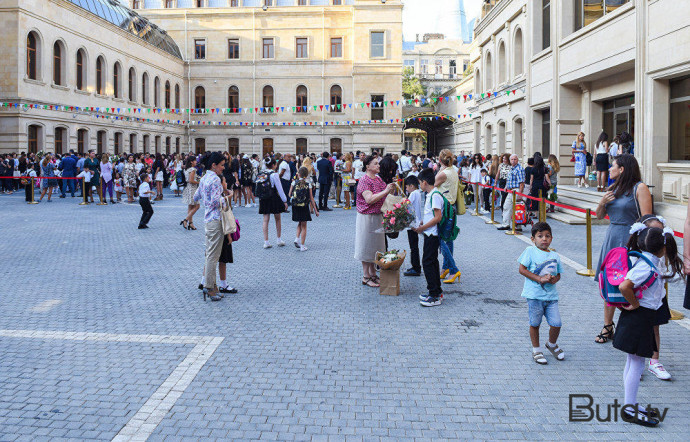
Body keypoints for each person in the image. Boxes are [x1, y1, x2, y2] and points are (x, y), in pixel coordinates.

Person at [612, 227, 682, 427]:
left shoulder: (648, 261)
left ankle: (630, 404)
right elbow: (624, 286)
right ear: (662, 248)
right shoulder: (645, 266)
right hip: (639, 316)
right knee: (637, 363)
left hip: (639, 316)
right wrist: (634, 303)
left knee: (632, 361)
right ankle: (629, 409)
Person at [594, 154, 653, 343]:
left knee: (629, 284)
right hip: (612, 238)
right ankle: (607, 325)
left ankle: (632, 324)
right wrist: (602, 202)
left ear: (622, 169)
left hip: (630, 240)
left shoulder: (639, 188)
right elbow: (599, 215)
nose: (609, 169)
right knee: (610, 281)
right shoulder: (613, 188)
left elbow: (648, 219)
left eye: (613, 166)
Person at [626, 215, 674, 380]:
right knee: (638, 334)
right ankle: (635, 363)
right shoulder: (639, 258)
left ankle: (654, 361)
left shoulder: (660, 253)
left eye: (660, 231)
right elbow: (626, 284)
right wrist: (635, 303)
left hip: (657, 299)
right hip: (641, 301)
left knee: (655, 328)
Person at [517, 222, 564, 365]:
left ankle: (551, 344)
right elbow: (522, 269)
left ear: (551, 238)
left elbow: (559, 275)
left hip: (551, 297)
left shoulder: (555, 255)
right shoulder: (530, 251)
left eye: (547, 236)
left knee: (556, 323)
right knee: (535, 323)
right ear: (533, 239)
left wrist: (553, 279)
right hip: (534, 296)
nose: (544, 239)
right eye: (540, 236)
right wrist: (539, 279)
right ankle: (536, 349)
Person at [354, 155, 394, 288]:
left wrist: (390, 188)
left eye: (378, 163)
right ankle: (365, 276)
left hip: (377, 216)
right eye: (375, 163)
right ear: (368, 167)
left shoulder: (377, 179)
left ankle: (373, 274)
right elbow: (369, 199)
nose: (378, 166)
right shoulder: (364, 180)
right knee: (366, 247)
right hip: (367, 218)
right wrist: (386, 191)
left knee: (375, 248)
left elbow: (386, 192)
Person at [193, 152, 226, 302]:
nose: (223, 168)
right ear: (214, 165)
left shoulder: (204, 178)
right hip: (215, 219)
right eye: (222, 165)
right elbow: (215, 202)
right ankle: (208, 286)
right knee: (213, 256)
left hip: (207, 219)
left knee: (210, 253)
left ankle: (213, 286)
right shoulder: (216, 180)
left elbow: (195, 197)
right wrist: (226, 196)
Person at [414, 168, 444, 307]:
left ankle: (434, 295)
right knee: (432, 262)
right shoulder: (431, 194)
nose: (419, 185)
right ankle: (436, 291)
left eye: (420, 182)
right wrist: (423, 223)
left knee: (427, 263)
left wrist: (422, 227)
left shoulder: (435, 195)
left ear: (425, 182)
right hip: (429, 232)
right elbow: (431, 215)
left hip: (432, 234)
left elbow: (438, 217)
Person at [434, 149, 461, 284]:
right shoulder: (453, 171)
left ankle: (453, 269)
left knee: (442, 240)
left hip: (444, 209)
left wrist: (439, 169)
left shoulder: (442, 174)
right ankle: (446, 268)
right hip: (452, 207)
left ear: (440, 160)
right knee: (448, 239)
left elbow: (434, 185)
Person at [259, 158, 288, 249]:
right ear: (274, 165)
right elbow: (280, 188)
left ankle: (266, 241)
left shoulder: (262, 173)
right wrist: (285, 200)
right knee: (277, 218)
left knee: (265, 219)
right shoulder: (274, 174)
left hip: (264, 198)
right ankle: (279, 239)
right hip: (274, 197)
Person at [289, 166, 319, 251]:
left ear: (298, 174)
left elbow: (289, 194)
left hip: (295, 206)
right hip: (304, 206)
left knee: (299, 222)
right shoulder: (308, 184)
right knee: (304, 225)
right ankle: (302, 245)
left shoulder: (294, 182)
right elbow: (311, 198)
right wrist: (316, 210)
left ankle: (297, 238)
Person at [497, 154, 526, 232]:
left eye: (515, 159)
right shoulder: (511, 168)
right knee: (507, 206)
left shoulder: (519, 169)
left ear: (517, 160)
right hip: (510, 190)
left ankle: (518, 225)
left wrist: (520, 193)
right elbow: (509, 179)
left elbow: (522, 183)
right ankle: (506, 224)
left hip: (516, 190)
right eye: (512, 159)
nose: (513, 161)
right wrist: (506, 186)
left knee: (516, 209)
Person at [403, 175, 423, 277]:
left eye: (406, 187)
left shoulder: (413, 194)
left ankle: (416, 267)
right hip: (415, 222)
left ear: (411, 186)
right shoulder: (417, 193)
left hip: (412, 223)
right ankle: (415, 266)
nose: (406, 189)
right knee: (414, 246)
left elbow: (406, 205)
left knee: (413, 247)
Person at [182, 157, 200, 230]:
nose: (196, 162)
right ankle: (185, 220)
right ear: (192, 162)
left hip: (188, 188)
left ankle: (191, 223)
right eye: (195, 161)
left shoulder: (186, 169)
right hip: (192, 189)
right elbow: (191, 180)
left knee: (190, 207)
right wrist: (199, 182)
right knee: (197, 206)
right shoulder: (192, 170)